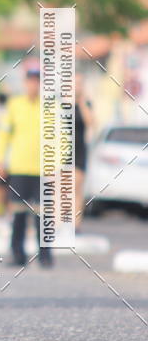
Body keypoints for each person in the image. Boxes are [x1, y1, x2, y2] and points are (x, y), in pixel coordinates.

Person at [0, 63, 52, 268]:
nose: (33, 86)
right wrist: (0, 159)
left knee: (43, 214)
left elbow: (62, 137)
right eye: (30, 82)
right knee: (18, 213)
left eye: (37, 82)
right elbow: (3, 134)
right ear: (25, 83)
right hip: (19, 168)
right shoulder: (14, 105)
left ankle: (45, 256)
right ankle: (17, 254)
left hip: (43, 169)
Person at [74, 74, 94, 229]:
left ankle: (76, 224)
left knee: (77, 187)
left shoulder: (85, 103)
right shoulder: (61, 103)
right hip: (62, 148)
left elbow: (91, 122)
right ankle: (59, 222)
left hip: (79, 148)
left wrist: (81, 101)